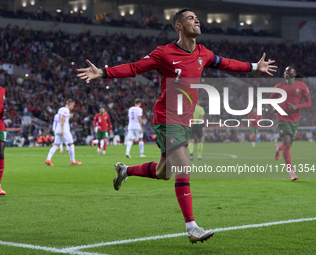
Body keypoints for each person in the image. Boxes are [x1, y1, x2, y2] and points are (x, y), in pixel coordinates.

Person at [77, 8, 277, 243]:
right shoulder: (165, 53)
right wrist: (103, 73)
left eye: (197, 17)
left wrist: (254, 67)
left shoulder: (204, 53)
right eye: (191, 18)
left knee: (165, 172)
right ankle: (192, 227)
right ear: (179, 26)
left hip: (184, 121)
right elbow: (134, 68)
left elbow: (228, 64)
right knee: (184, 165)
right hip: (166, 118)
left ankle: (124, 170)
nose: (197, 20)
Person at [270, 66, 311, 181]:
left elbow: (308, 102)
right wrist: (275, 106)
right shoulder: (278, 87)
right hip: (282, 118)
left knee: (288, 145)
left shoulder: (302, 86)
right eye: (285, 72)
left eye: (289, 72)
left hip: (295, 119)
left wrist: (297, 106)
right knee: (287, 144)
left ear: (294, 74)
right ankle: (291, 172)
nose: (286, 74)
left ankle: (278, 148)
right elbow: (271, 99)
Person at [45, 99, 82, 166]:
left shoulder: (61, 109)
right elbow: (62, 119)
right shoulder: (66, 110)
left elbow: (60, 118)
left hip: (57, 129)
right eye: (73, 105)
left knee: (56, 145)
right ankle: (73, 161)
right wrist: (62, 129)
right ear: (70, 104)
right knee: (71, 144)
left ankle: (48, 159)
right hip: (64, 130)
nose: (73, 107)